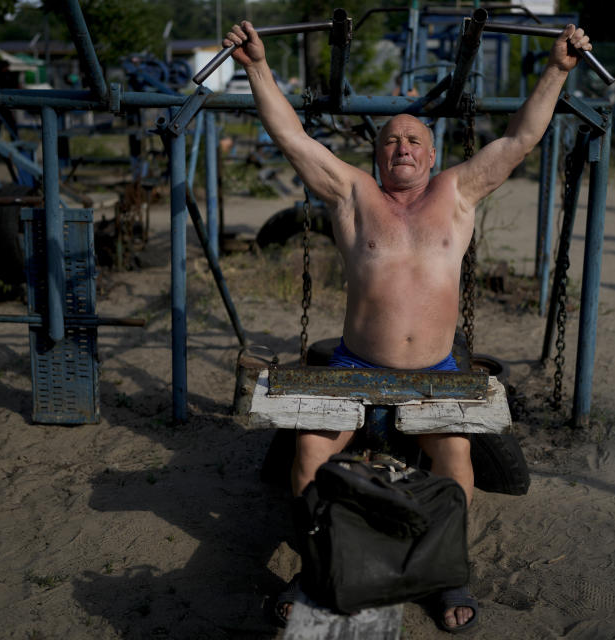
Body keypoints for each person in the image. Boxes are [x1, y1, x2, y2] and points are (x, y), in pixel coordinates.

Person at [224, 20, 591, 633]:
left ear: (432, 153)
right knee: (310, 453)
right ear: (377, 154)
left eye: (414, 140)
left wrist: (557, 68)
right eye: (392, 141)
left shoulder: (458, 193)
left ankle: (448, 573)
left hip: (437, 374)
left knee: (456, 460)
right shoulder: (352, 194)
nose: (402, 148)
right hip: (351, 368)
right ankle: (317, 569)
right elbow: (289, 133)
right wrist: (257, 65)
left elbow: (521, 138)